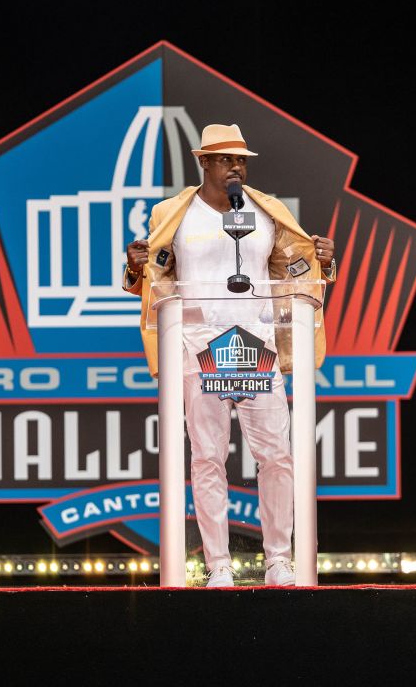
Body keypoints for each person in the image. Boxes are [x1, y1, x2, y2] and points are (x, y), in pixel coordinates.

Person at [122, 124, 336, 587]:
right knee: (207, 458)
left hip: (257, 344)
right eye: (226, 159)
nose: (236, 167)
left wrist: (324, 260)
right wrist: (135, 266)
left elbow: (294, 267)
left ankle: (278, 558)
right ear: (204, 162)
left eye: (241, 160)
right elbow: (155, 271)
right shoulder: (174, 214)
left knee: (277, 455)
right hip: (197, 347)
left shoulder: (264, 210)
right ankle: (218, 563)